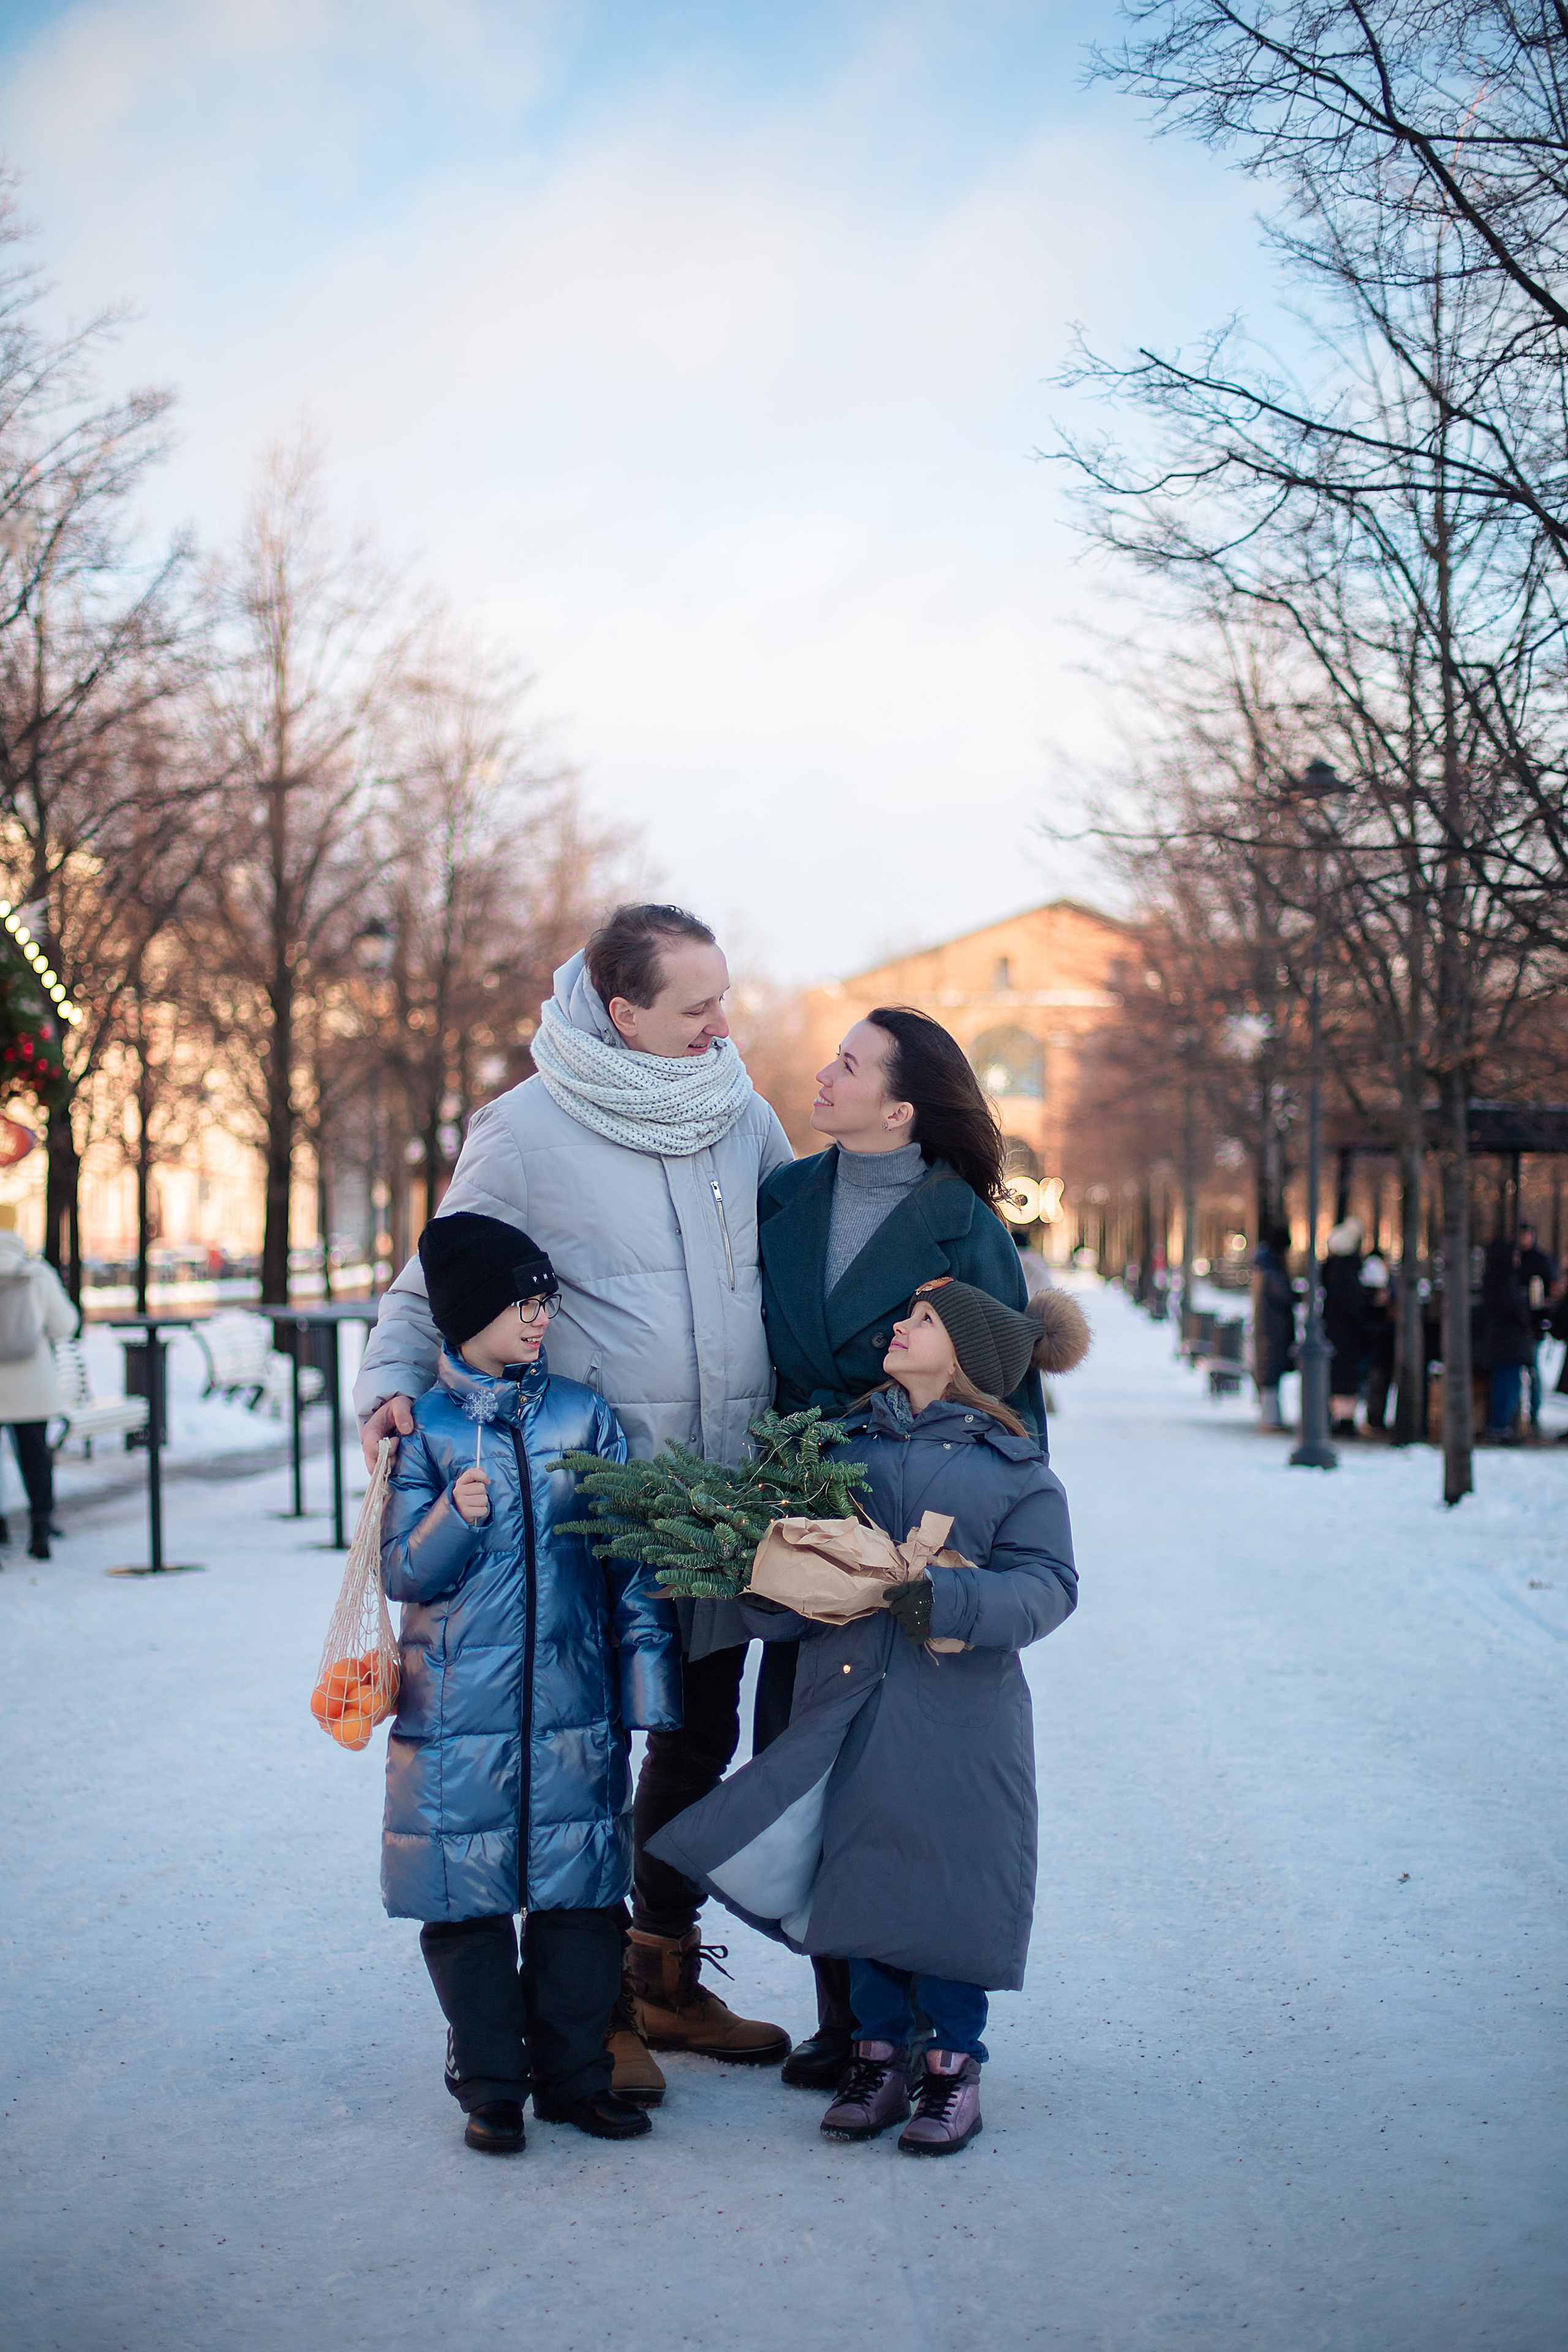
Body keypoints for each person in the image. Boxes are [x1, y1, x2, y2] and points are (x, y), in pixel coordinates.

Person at [355, 904, 794, 2103]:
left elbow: (794, 1259)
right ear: (622, 1012)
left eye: (722, 995)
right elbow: (429, 1273)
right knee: (590, 1753)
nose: (723, 1021)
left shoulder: (739, 1111)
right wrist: (392, 1392)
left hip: (721, 1488)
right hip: (592, 1506)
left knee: (698, 1735)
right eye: (697, 1004)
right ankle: (588, 2009)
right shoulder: (528, 1129)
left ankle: (660, 1969)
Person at [646, 1276, 1080, 2156]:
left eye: (922, 1320)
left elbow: (1049, 1586)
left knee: (948, 1878)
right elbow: (797, 1567)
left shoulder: (1014, 1469)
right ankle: (876, 2052)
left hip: (961, 1717)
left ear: (963, 1357)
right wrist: (776, 1593)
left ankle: (954, 2062)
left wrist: (949, 1599)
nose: (899, 1324)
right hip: (846, 1699)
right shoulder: (842, 1447)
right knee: (863, 1870)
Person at [752, 1005, 1044, 2089]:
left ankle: (924, 2023)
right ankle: (849, 2017)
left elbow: (1009, 1391)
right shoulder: (786, 1195)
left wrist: (984, 1550)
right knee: (802, 1759)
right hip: (802, 1521)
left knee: (905, 1783)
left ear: (901, 1105)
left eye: (849, 1064)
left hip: (914, 1528)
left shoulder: (961, 1224)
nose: (824, 1076)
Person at [381, 1213, 681, 2155]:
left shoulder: (582, 1418)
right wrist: (454, 1524)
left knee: (580, 1903)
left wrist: (648, 1689)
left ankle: (576, 2078)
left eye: (546, 1301)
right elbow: (400, 1572)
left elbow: (628, 1565)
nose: (541, 1318)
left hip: (572, 1708)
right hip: (456, 1715)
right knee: (465, 1903)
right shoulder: (424, 1429)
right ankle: (492, 2086)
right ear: (470, 1314)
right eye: (525, 1302)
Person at [0, 1204, 77, 1561]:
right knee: (35, 1457)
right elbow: (64, 1326)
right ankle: (40, 1530)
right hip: (31, 1387)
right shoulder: (36, 1273)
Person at [1477, 1234, 1534, 1443]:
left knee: (1506, 1382)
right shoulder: (1505, 1279)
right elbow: (1514, 1308)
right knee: (1507, 1383)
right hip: (1508, 1342)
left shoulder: (1493, 1278)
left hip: (1501, 1341)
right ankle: (1499, 1426)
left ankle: (1500, 1425)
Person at [1322, 1216, 1376, 1433]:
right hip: (1348, 1334)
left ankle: (1342, 1418)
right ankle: (1345, 1420)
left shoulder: (1332, 1270)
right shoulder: (1347, 1271)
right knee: (1346, 1378)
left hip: (1338, 1331)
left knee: (1341, 1377)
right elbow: (1352, 1304)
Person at [1250, 1223, 1296, 1431]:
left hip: (1268, 1328)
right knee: (1270, 1369)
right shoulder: (1272, 1272)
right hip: (1273, 1329)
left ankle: (1271, 1416)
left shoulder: (1264, 1268)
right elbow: (1284, 1297)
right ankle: (1270, 1419)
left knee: (1269, 1369)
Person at [1516, 1223, 1558, 1431]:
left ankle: (1534, 1412)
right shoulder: (1514, 1260)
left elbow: (1552, 1289)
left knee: (1533, 1369)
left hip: (1534, 1323)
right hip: (1517, 1323)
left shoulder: (1541, 1261)